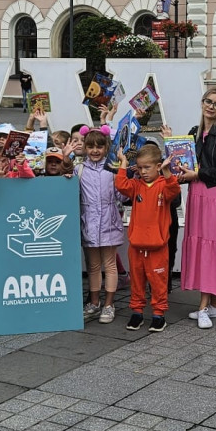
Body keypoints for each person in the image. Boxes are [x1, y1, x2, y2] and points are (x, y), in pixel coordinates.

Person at [165, 85, 216, 329]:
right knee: (202, 246)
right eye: (208, 101)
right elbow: (184, 162)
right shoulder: (193, 131)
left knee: (211, 248)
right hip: (196, 194)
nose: (211, 106)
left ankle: (203, 307)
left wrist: (198, 174)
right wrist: (170, 143)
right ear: (202, 102)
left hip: (214, 194)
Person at [115, 143, 181, 333]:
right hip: (136, 246)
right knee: (137, 281)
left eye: (147, 167)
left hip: (157, 248)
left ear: (158, 166)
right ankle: (136, 312)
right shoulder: (136, 186)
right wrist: (123, 163)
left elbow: (174, 190)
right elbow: (120, 184)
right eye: (141, 167)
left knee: (158, 283)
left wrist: (167, 172)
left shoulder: (163, 186)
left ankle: (159, 314)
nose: (143, 172)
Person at [78, 127, 124, 323]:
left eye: (99, 146)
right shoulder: (79, 169)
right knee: (93, 266)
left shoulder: (112, 168)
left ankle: (109, 304)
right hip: (88, 221)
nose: (95, 151)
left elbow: (122, 195)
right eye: (90, 146)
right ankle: (94, 303)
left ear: (106, 148)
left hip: (109, 220)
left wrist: (125, 174)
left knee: (110, 265)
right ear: (85, 148)